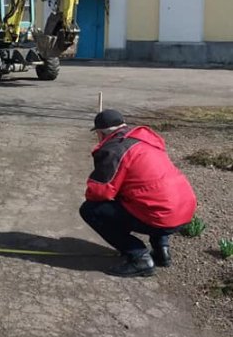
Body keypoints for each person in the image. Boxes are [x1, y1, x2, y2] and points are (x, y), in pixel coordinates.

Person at [79, 108, 197, 278]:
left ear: (101, 133)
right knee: (152, 198)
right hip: (184, 210)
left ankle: (139, 257)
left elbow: (99, 192)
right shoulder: (145, 141)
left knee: (90, 210)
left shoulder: (114, 150)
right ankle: (162, 252)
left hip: (161, 217)